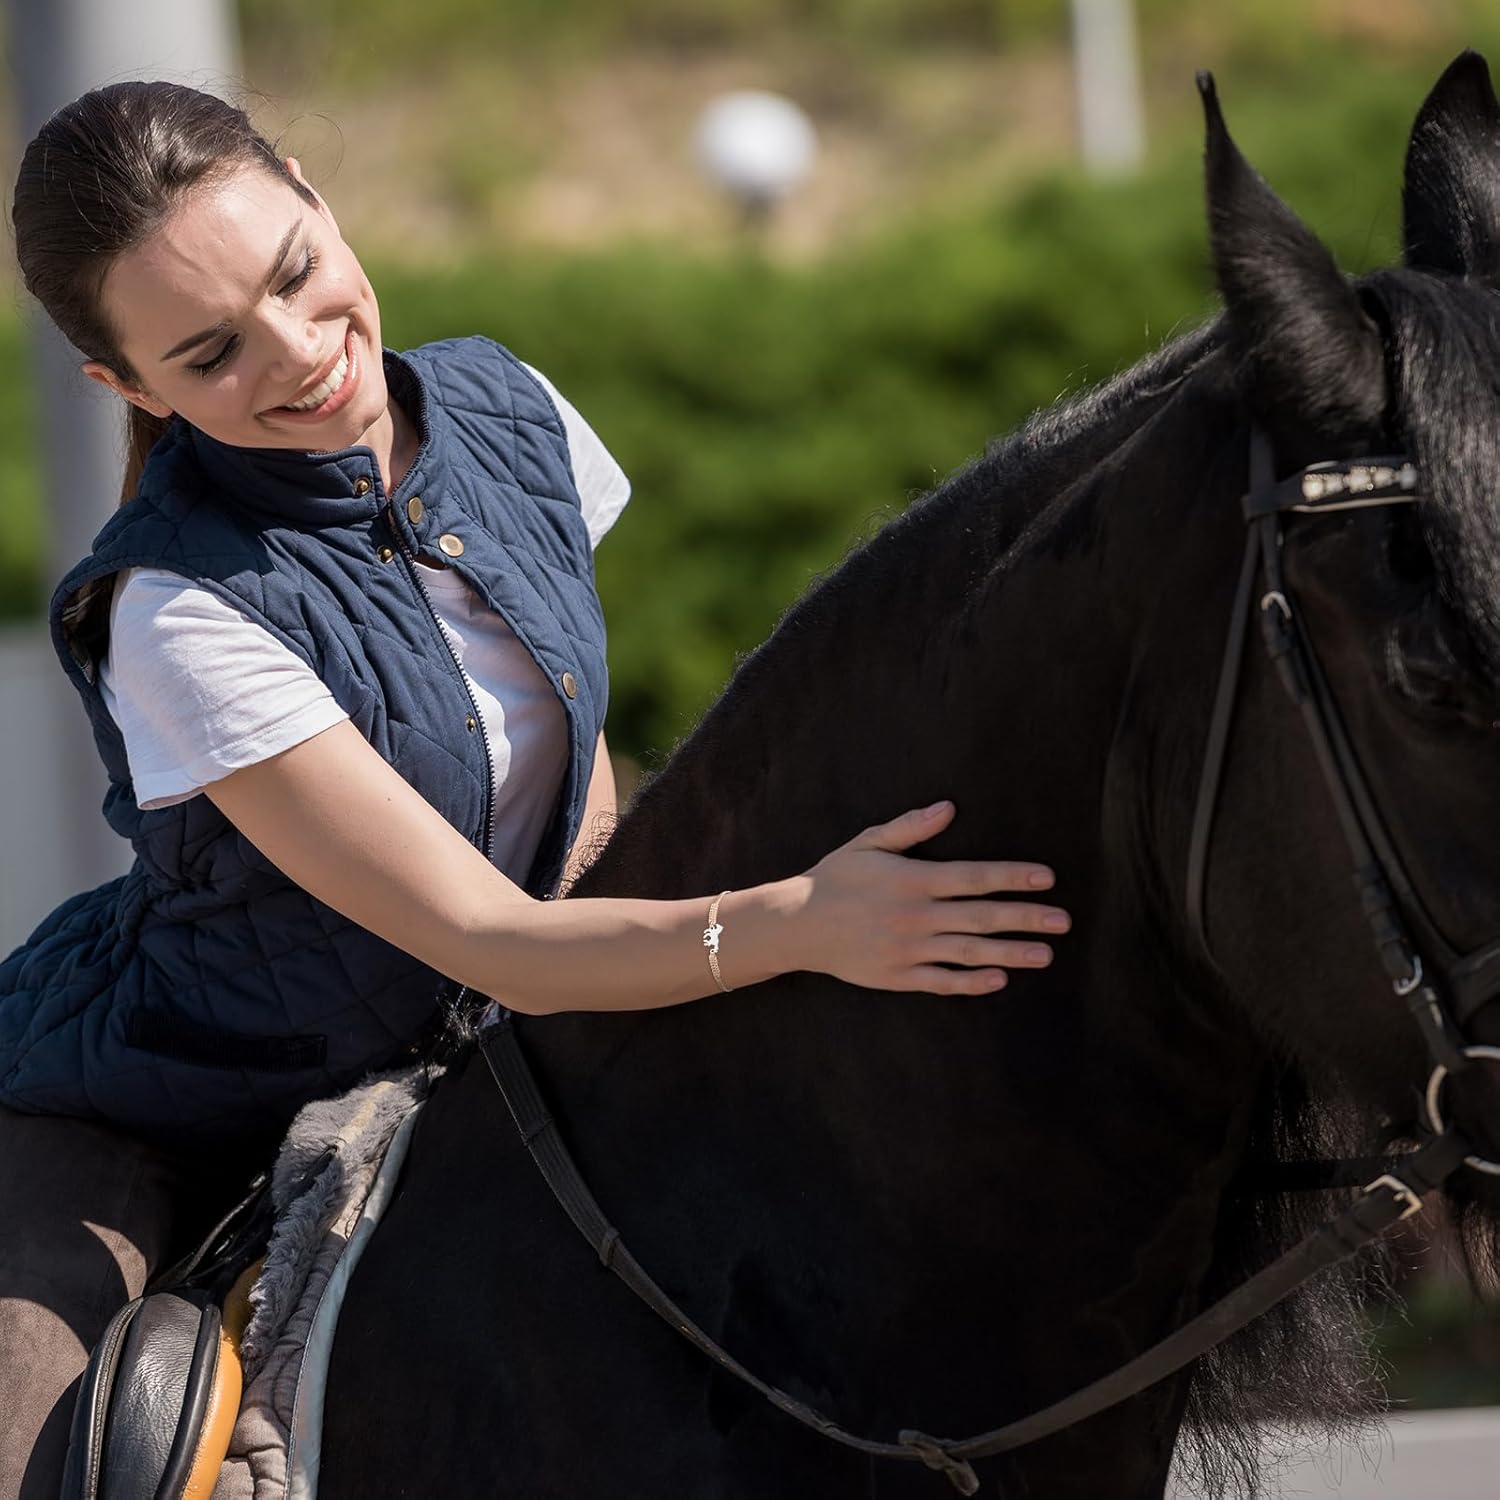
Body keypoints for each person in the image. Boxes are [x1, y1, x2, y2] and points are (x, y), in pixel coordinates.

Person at [0, 81, 1071, 1494]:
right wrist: (802, 920)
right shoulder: (175, 608)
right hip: (156, 1108)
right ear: (129, 391)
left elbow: (577, 809)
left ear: (316, 195)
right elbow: (487, 936)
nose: (300, 353)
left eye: (297, 272)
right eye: (210, 353)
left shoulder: (511, 409)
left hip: (483, 1036)